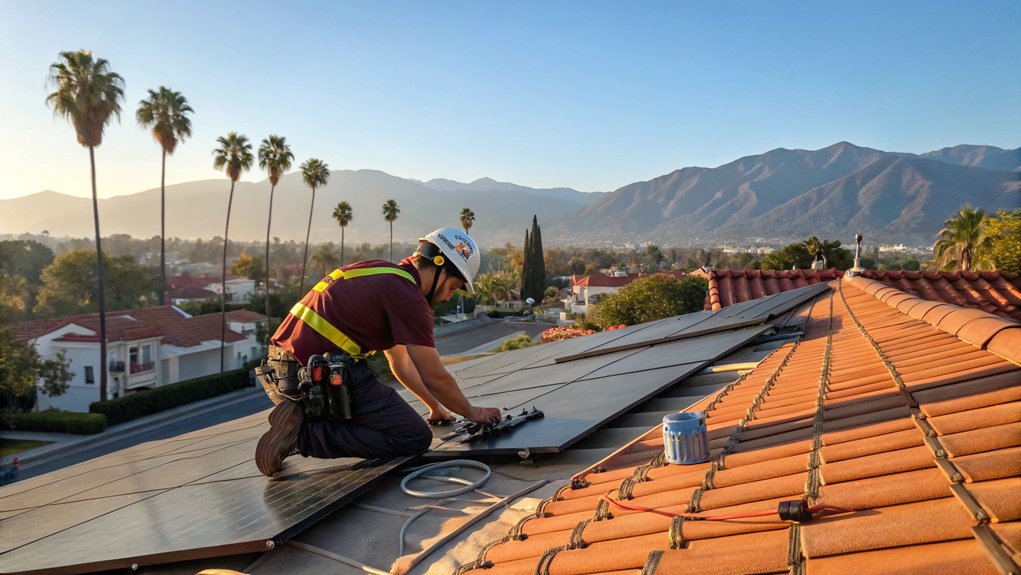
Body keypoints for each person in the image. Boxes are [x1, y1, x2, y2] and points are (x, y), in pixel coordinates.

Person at [255, 227, 502, 477]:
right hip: (319, 375)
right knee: (413, 437)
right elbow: (434, 376)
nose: (449, 296)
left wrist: (435, 407)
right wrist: (473, 413)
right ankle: (303, 436)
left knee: (377, 415)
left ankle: (297, 420)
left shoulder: (383, 274)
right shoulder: (408, 297)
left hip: (280, 375)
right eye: (453, 286)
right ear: (439, 265)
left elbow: (400, 363)